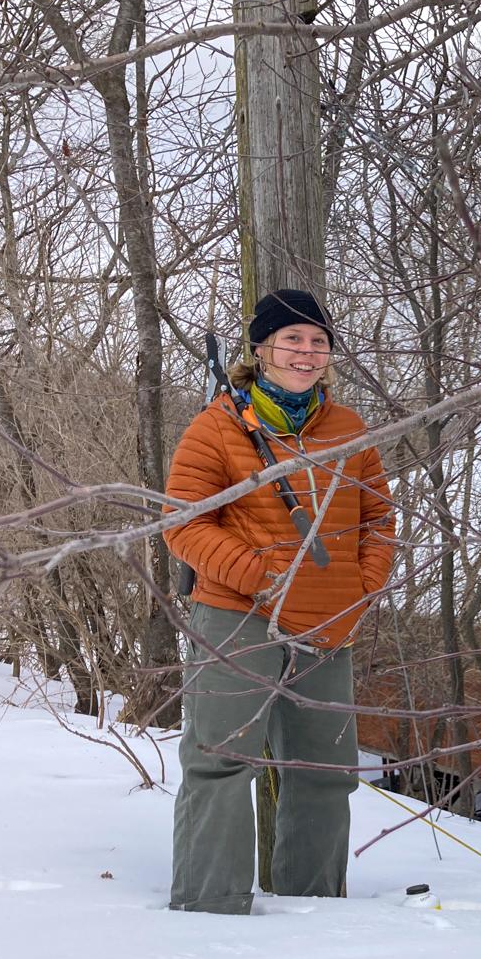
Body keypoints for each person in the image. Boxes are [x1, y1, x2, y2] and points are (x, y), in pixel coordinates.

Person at [163, 289, 395, 914]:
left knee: (325, 770)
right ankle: (212, 906)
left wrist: (363, 584)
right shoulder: (218, 426)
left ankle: (316, 910)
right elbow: (183, 522)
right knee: (220, 762)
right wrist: (260, 575)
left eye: (317, 341)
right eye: (292, 339)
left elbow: (379, 516)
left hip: (329, 620)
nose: (306, 351)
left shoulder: (347, 429)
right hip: (240, 614)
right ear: (261, 349)